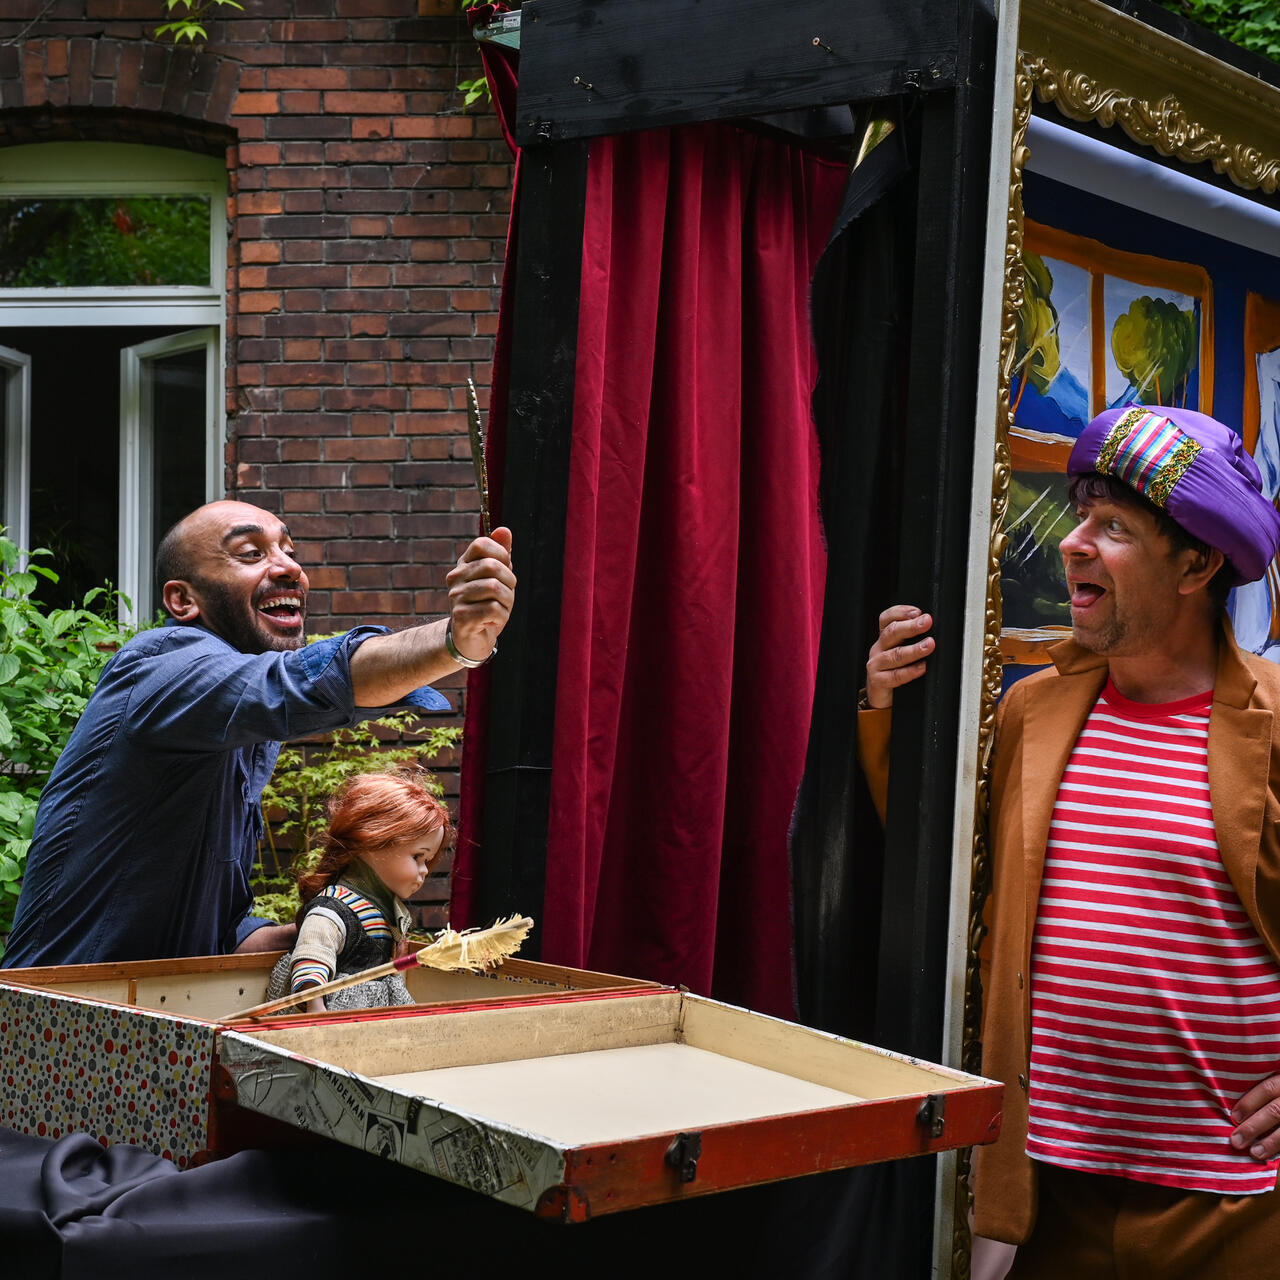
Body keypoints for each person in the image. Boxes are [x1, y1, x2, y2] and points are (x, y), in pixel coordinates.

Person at [861, 405, 1280, 1277]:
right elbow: (949, 869)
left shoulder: (1274, 726)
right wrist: (888, 712)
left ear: (1197, 563)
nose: (1073, 543)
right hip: (1053, 1194)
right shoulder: (1036, 709)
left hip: (1237, 1208)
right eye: (1080, 516)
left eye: (1113, 528)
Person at [1, 500, 514, 968]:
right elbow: (294, 683)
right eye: (250, 553)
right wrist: (454, 640)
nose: (289, 567)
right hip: (56, 1020)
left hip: (156, 1021)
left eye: (289, 551)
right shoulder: (159, 669)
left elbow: (223, 934)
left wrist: (325, 930)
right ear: (183, 600)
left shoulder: (244, 728)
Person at [264, 769, 452, 1013]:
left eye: (427, 860)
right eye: (417, 857)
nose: (424, 870)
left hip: (371, 1006)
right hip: (335, 1008)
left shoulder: (385, 909)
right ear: (373, 843)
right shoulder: (333, 908)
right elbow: (313, 952)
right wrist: (315, 1006)